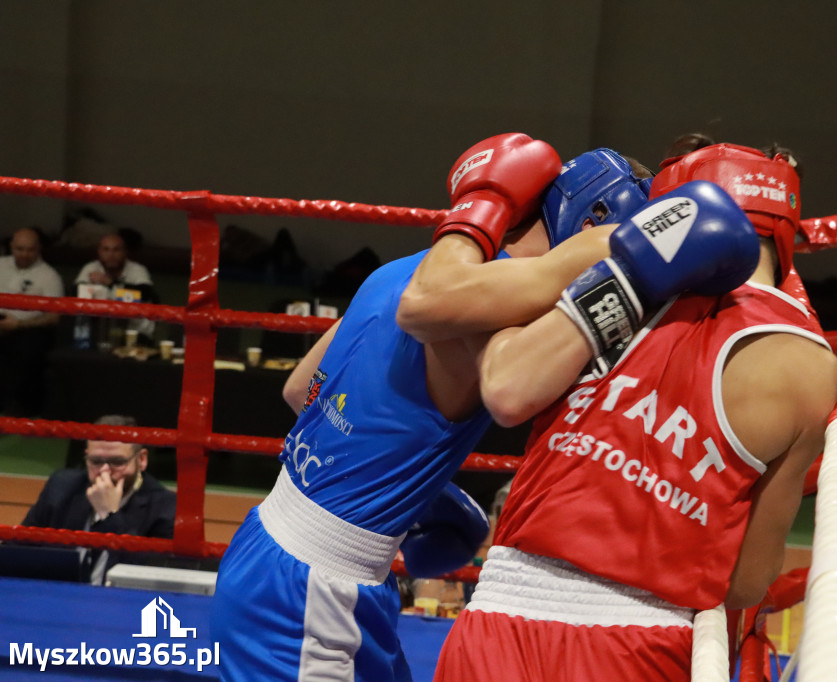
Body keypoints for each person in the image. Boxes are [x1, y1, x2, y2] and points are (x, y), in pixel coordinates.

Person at [209, 135, 657, 681]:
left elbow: (301, 390)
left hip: (272, 547)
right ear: (595, 224)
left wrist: (416, 485)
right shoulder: (483, 315)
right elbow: (507, 391)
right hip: (314, 593)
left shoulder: (421, 266)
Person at [434, 138, 837, 681]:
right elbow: (748, 581)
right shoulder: (812, 368)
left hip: (500, 624)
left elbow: (506, 387)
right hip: (647, 646)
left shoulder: (617, 268)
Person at [21, 414, 177, 585]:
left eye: (117, 462)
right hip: (58, 598)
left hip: (120, 605)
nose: (104, 471)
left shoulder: (165, 507)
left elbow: (146, 578)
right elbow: (16, 550)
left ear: (141, 460)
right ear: (86, 456)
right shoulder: (61, 487)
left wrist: (109, 515)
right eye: (95, 461)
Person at [0, 227, 64, 416]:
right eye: (20, 249)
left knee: (26, 348)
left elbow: (54, 316)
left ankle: (13, 409)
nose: (25, 254)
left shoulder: (49, 276)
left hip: (29, 328)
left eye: (30, 250)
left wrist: (19, 325)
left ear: (39, 249)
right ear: (11, 246)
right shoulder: (0, 264)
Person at [74, 231, 157, 342]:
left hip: (134, 332)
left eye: (116, 250)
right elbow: (76, 293)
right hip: (99, 329)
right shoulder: (91, 268)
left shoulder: (137, 270)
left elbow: (144, 294)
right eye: (106, 250)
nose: (111, 255)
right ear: (99, 252)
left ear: (125, 252)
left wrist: (109, 283)